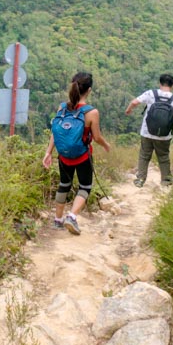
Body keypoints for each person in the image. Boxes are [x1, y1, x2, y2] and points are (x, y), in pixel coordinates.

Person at [42, 72, 111, 235]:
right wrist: (106, 145)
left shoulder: (62, 108)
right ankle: (71, 217)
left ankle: (57, 220)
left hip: (63, 156)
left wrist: (48, 152)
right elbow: (97, 137)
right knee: (85, 186)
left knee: (64, 184)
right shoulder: (91, 112)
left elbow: (56, 131)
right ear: (89, 90)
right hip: (82, 156)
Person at [125, 73, 173, 187]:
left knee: (144, 155)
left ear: (160, 83)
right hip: (164, 136)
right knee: (163, 157)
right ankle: (166, 181)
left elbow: (134, 102)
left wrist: (129, 110)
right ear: (172, 85)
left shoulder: (151, 93)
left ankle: (140, 179)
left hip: (147, 133)